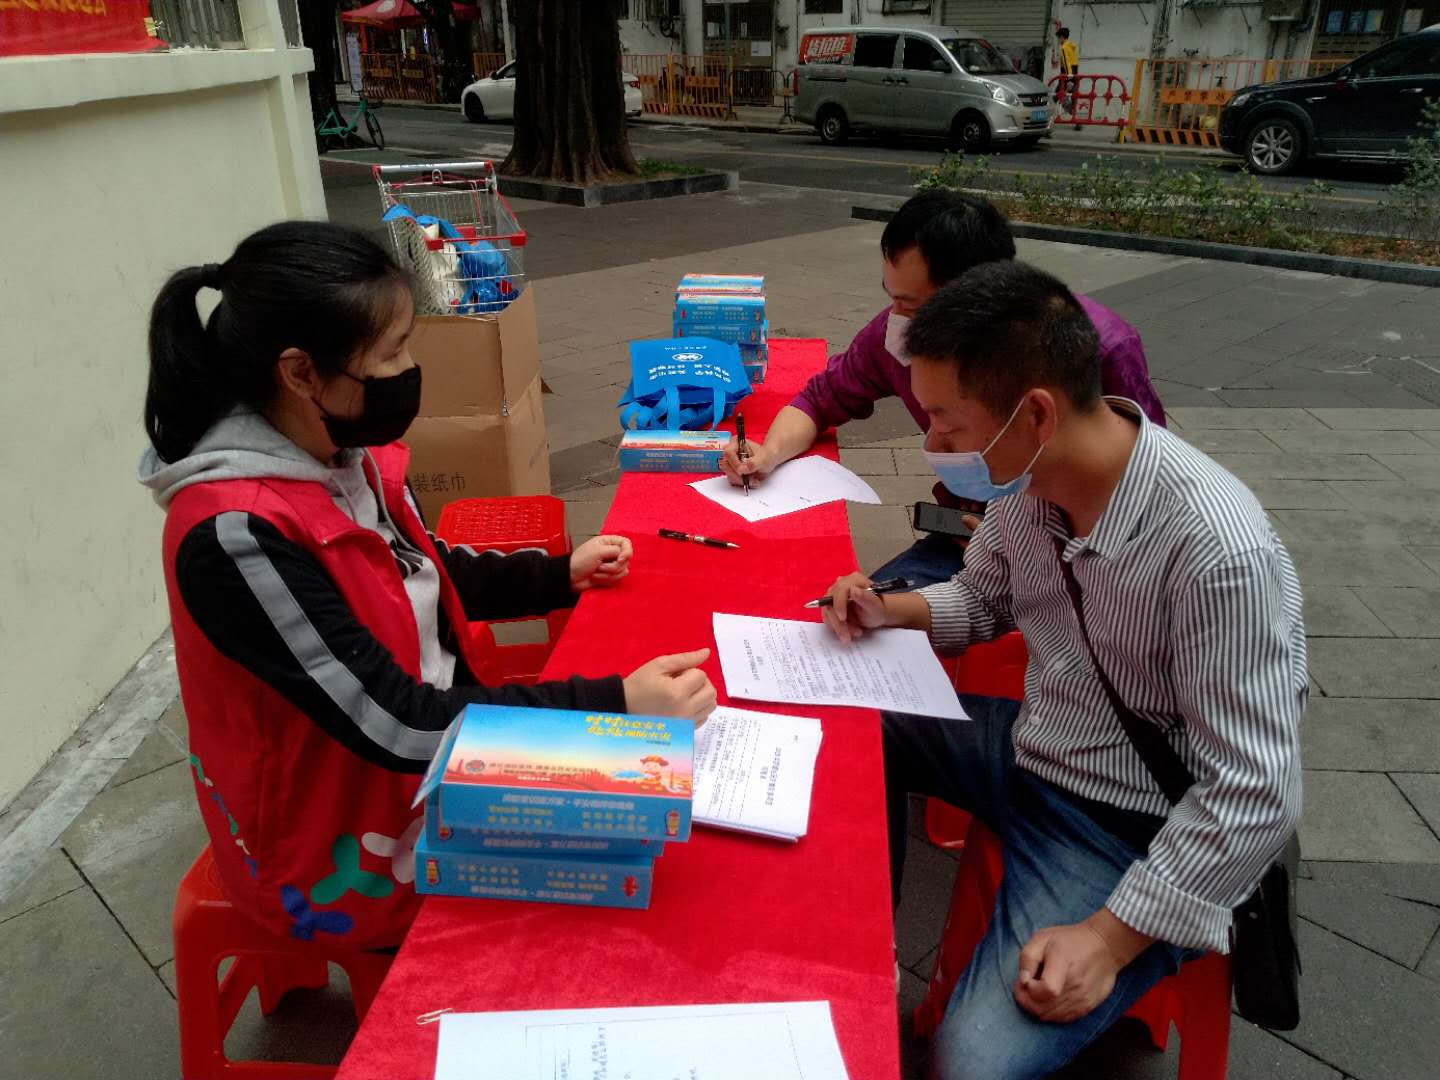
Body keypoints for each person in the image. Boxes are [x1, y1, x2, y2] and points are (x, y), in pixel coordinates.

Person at [138, 222, 717, 949]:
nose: (410, 369)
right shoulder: (235, 536)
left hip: (423, 760)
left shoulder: (341, 451)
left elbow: (418, 568)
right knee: (602, 911)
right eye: (391, 353)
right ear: (301, 372)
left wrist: (553, 574)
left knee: (654, 855)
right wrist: (614, 708)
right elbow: (396, 722)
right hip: (341, 844)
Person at [821, 261, 1304, 1080]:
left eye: (946, 421)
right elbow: (982, 599)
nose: (932, 444)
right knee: (837, 718)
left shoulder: (1217, 551)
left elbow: (1256, 789)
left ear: (1036, 413)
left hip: (1130, 822)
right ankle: (860, 953)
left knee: (969, 1062)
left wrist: (1108, 940)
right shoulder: (1025, 484)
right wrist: (889, 609)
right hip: (1037, 744)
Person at [720, 191, 1164, 589]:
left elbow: (1140, 493)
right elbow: (821, 398)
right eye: (892, 297)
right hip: (967, 545)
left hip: (1080, 565)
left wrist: (1029, 555)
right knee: (860, 624)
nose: (897, 318)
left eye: (947, 423)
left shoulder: (1092, 350)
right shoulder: (896, 335)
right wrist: (767, 455)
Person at [1056, 27, 1081, 120]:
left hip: (1066, 74)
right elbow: (1073, 62)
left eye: (1058, 38)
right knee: (1073, 95)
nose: (1058, 40)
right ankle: (1076, 118)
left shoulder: (1064, 47)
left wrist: (1069, 78)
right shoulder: (1072, 46)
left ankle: (1047, 116)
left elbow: (1067, 63)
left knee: (1057, 94)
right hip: (1075, 72)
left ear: (1062, 37)